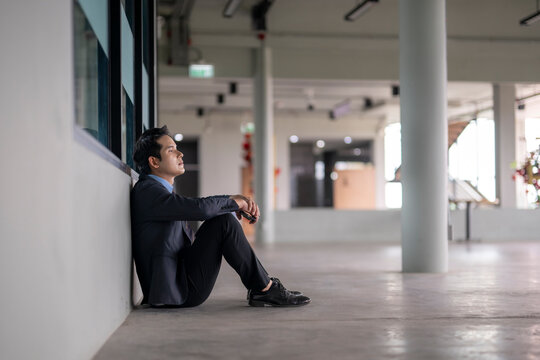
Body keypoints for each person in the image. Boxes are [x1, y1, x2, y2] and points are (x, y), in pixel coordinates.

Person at [131, 126, 310, 308]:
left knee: (223, 219)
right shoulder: (148, 191)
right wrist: (233, 202)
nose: (180, 154)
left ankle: (262, 287)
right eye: (171, 150)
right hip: (176, 290)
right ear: (154, 161)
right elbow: (199, 209)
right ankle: (264, 289)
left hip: (179, 279)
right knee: (224, 222)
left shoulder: (155, 190)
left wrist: (229, 206)